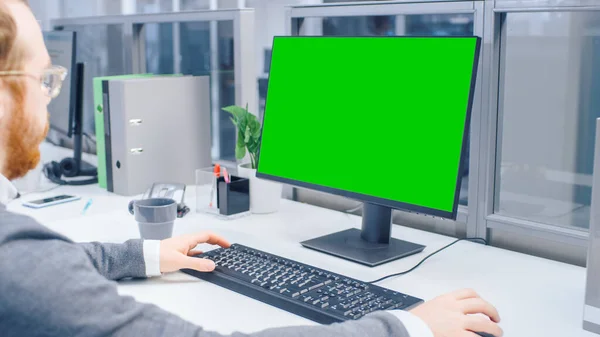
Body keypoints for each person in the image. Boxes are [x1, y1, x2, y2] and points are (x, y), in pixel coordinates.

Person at [0, 1, 503, 337]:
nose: (49, 100)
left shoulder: (18, 255)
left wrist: (144, 254)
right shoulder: (14, 260)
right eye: (44, 78)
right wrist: (408, 327)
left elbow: (46, 270)